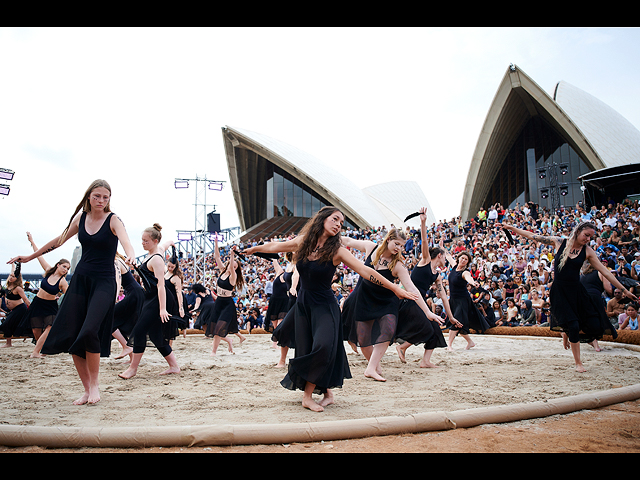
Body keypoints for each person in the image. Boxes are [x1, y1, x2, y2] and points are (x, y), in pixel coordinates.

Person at [244, 206, 418, 412]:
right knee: (308, 349)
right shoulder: (304, 242)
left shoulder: (338, 251)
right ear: (322, 218)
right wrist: (256, 249)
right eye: (335, 219)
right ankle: (327, 392)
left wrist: (395, 288)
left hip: (325, 307)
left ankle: (307, 397)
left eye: (341, 223)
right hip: (303, 306)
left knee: (324, 347)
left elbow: (365, 271)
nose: (338, 225)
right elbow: (278, 246)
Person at [8, 179, 136, 404]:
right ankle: (86, 389)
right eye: (97, 196)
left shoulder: (113, 219)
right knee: (72, 333)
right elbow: (58, 241)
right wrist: (29, 257)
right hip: (80, 281)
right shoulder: (81, 218)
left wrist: (131, 254)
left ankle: (95, 386)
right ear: (89, 196)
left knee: (89, 331)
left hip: (104, 283)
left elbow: (126, 241)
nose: (101, 201)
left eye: (105, 197)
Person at [501, 221, 636, 372]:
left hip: (576, 291)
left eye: (591, 237)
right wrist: (512, 228)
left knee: (592, 322)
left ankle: (567, 332)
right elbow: (534, 236)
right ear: (578, 231)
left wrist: (624, 290)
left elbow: (605, 271)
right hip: (559, 290)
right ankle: (578, 362)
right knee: (573, 325)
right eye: (586, 235)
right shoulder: (559, 242)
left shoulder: (588, 251)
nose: (588, 239)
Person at [341, 226, 437, 381]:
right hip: (364, 299)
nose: (399, 248)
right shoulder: (371, 248)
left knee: (388, 329)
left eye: (401, 246)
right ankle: (375, 366)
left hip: (386, 302)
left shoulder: (398, 265)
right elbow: (348, 241)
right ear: (389, 239)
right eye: (396, 244)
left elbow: (412, 288)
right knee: (363, 339)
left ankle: (371, 368)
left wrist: (427, 312)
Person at [394, 208, 456, 368]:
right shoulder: (426, 260)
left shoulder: (438, 276)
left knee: (435, 328)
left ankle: (425, 361)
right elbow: (424, 242)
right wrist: (423, 222)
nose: (447, 258)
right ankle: (402, 347)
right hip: (409, 300)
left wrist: (451, 317)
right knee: (426, 326)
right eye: (446, 254)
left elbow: (444, 297)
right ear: (440, 255)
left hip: (419, 302)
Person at [118, 224, 180, 379]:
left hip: (158, 299)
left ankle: (133, 369)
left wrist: (163, 309)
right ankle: (174, 366)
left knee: (139, 331)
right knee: (155, 334)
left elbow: (161, 286)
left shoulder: (158, 259)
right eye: (142, 240)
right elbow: (166, 243)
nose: (143, 243)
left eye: (146, 241)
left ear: (155, 241)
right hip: (150, 297)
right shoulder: (157, 250)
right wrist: (171, 242)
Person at [19, 232, 70, 357]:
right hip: (38, 303)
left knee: (49, 328)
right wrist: (32, 241)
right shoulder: (48, 271)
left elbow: (69, 296)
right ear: (58, 265)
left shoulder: (63, 282)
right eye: (64, 266)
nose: (65, 270)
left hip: (50, 306)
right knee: (36, 330)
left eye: (68, 269)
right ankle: (42, 349)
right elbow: (39, 255)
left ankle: (35, 352)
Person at [202, 235, 246, 355]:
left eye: (236, 267)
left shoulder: (233, 276)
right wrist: (216, 242)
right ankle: (229, 342)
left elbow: (231, 267)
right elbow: (216, 256)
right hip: (219, 302)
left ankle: (214, 352)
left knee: (218, 328)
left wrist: (232, 255)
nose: (233, 268)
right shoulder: (222, 271)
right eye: (233, 266)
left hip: (227, 303)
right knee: (215, 326)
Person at [444, 250, 490, 350]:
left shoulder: (465, 272)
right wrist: (442, 246)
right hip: (453, 300)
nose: (464, 260)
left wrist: (473, 283)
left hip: (462, 300)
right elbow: (448, 255)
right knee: (459, 323)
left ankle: (449, 345)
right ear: (459, 258)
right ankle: (470, 342)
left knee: (456, 321)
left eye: (466, 259)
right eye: (462, 258)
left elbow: (469, 278)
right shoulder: (455, 265)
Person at [111, 253, 145, 361]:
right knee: (124, 325)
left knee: (108, 318)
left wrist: (113, 298)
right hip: (136, 293)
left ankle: (126, 346)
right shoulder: (120, 261)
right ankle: (130, 356)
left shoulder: (115, 262)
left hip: (134, 294)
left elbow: (117, 281)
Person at [0, 262, 31, 347]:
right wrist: (13, 264)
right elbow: (13, 271)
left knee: (7, 323)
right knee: (9, 324)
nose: (11, 277)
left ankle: (8, 343)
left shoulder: (18, 288)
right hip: (13, 309)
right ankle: (9, 342)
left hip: (20, 309)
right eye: (10, 275)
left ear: (17, 278)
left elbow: (25, 299)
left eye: (13, 276)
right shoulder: (8, 286)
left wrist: (32, 308)